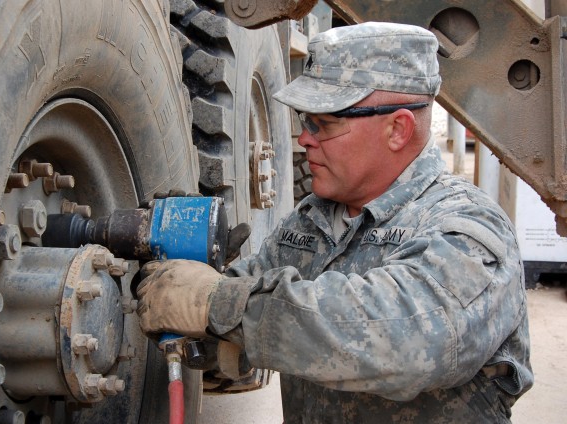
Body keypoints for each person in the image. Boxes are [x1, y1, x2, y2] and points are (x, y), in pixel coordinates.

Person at [137, 22, 533, 423]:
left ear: (397, 129)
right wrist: (188, 285)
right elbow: (233, 317)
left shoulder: (468, 229)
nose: (304, 138)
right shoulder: (310, 224)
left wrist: (217, 302)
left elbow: (403, 338)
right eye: (305, 120)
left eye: (322, 124)